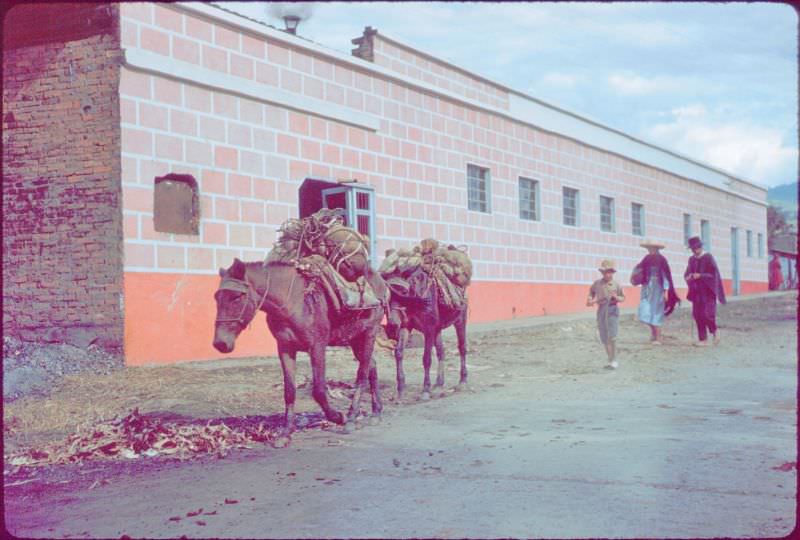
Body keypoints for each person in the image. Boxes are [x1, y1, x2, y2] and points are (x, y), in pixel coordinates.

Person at [631, 239, 681, 345]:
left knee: (656, 312)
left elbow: (665, 276)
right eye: (648, 248)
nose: (649, 250)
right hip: (647, 287)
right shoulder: (646, 258)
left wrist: (666, 292)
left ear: (656, 248)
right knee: (644, 311)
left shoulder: (662, 260)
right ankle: (654, 333)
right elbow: (639, 269)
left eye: (651, 248)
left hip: (658, 288)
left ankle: (658, 337)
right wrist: (636, 276)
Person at [684, 236, 726, 346]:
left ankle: (715, 331)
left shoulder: (708, 257)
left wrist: (701, 276)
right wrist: (688, 277)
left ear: (701, 247)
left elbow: (714, 275)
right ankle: (703, 339)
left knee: (707, 313)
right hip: (696, 291)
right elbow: (687, 273)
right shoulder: (691, 259)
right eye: (693, 248)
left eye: (697, 248)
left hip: (708, 291)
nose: (695, 250)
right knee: (697, 314)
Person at [587, 259, 625, 369]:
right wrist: (590, 299)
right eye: (605, 272)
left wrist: (616, 297)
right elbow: (591, 292)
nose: (607, 274)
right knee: (604, 337)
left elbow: (623, 297)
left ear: (613, 272)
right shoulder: (597, 283)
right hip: (601, 311)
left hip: (612, 310)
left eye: (609, 272)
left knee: (612, 336)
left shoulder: (616, 285)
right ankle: (610, 359)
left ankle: (614, 359)